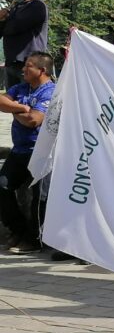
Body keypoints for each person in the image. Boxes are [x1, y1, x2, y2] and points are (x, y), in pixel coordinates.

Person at [0, 52, 56, 255]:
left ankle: (34, 240)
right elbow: (0, 101)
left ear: (42, 71)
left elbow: (34, 120)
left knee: (39, 197)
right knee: (2, 186)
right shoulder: (21, 88)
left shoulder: (50, 92)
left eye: (29, 66)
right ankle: (18, 231)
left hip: (42, 153)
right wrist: (22, 107)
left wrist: (13, 109)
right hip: (20, 151)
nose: (23, 69)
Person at [0, 0, 49, 88]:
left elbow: (14, 27)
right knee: (11, 104)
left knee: (29, 102)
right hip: (11, 64)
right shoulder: (13, 9)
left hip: (31, 65)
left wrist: (3, 20)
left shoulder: (37, 6)